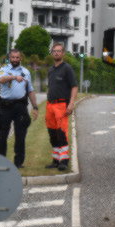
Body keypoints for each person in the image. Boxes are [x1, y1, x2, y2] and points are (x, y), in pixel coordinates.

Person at [0, 49, 38, 168]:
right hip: (5, 107)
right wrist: (14, 77)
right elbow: (1, 80)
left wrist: (35, 107)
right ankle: (0, 161)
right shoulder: (4, 69)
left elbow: (30, 90)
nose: (15, 59)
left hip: (20, 107)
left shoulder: (26, 72)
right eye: (13, 57)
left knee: (20, 136)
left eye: (17, 57)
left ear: (20, 59)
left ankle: (18, 162)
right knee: (2, 136)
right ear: (10, 58)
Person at [45, 43, 78, 171]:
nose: (56, 53)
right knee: (52, 133)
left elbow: (74, 86)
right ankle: (56, 159)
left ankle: (64, 160)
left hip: (61, 105)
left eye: (59, 51)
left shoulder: (67, 68)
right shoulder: (51, 70)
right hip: (50, 105)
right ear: (52, 53)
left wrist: (71, 103)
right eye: (54, 51)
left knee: (61, 132)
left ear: (63, 53)